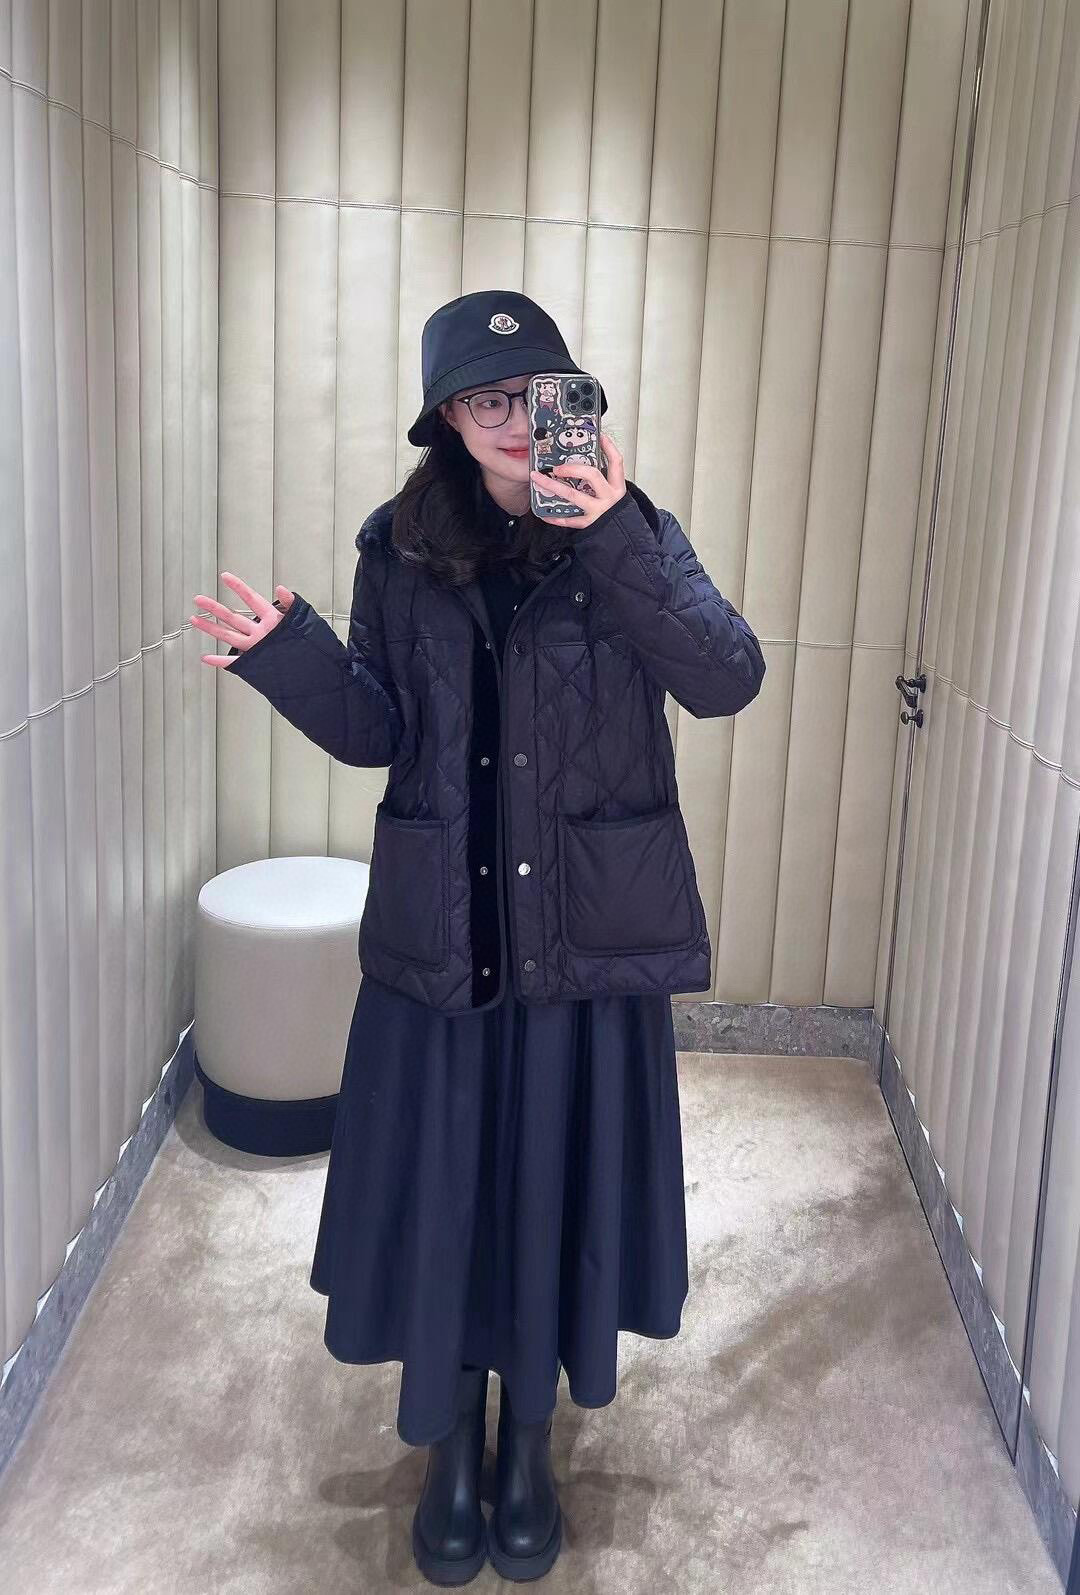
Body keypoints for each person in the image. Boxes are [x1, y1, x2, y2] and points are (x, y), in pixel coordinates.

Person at [191, 289, 766, 1585]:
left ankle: (530, 1449)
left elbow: (726, 677)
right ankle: (452, 1445)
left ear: (579, 405)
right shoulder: (396, 551)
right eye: (486, 399)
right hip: (444, 940)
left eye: (541, 393)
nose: (516, 419)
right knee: (450, 1196)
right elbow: (379, 732)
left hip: (584, 938)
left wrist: (612, 532)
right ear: (446, 418)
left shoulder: (631, 532)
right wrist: (289, 657)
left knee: (555, 1192)